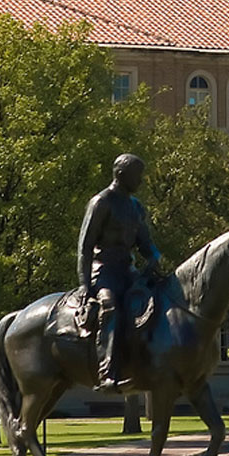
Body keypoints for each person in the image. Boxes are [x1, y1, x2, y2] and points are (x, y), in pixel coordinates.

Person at [77, 153, 163, 390]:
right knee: (111, 307)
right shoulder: (101, 203)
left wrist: (155, 257)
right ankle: (107, 373)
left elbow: (145, 243)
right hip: (103, 271)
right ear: (122, 175)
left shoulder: (135, 207)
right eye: (138, 176)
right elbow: (85, 247)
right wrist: (85, 284)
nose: (141, 181)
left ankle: (152, 362)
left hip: (128, 270)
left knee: (159, 300)